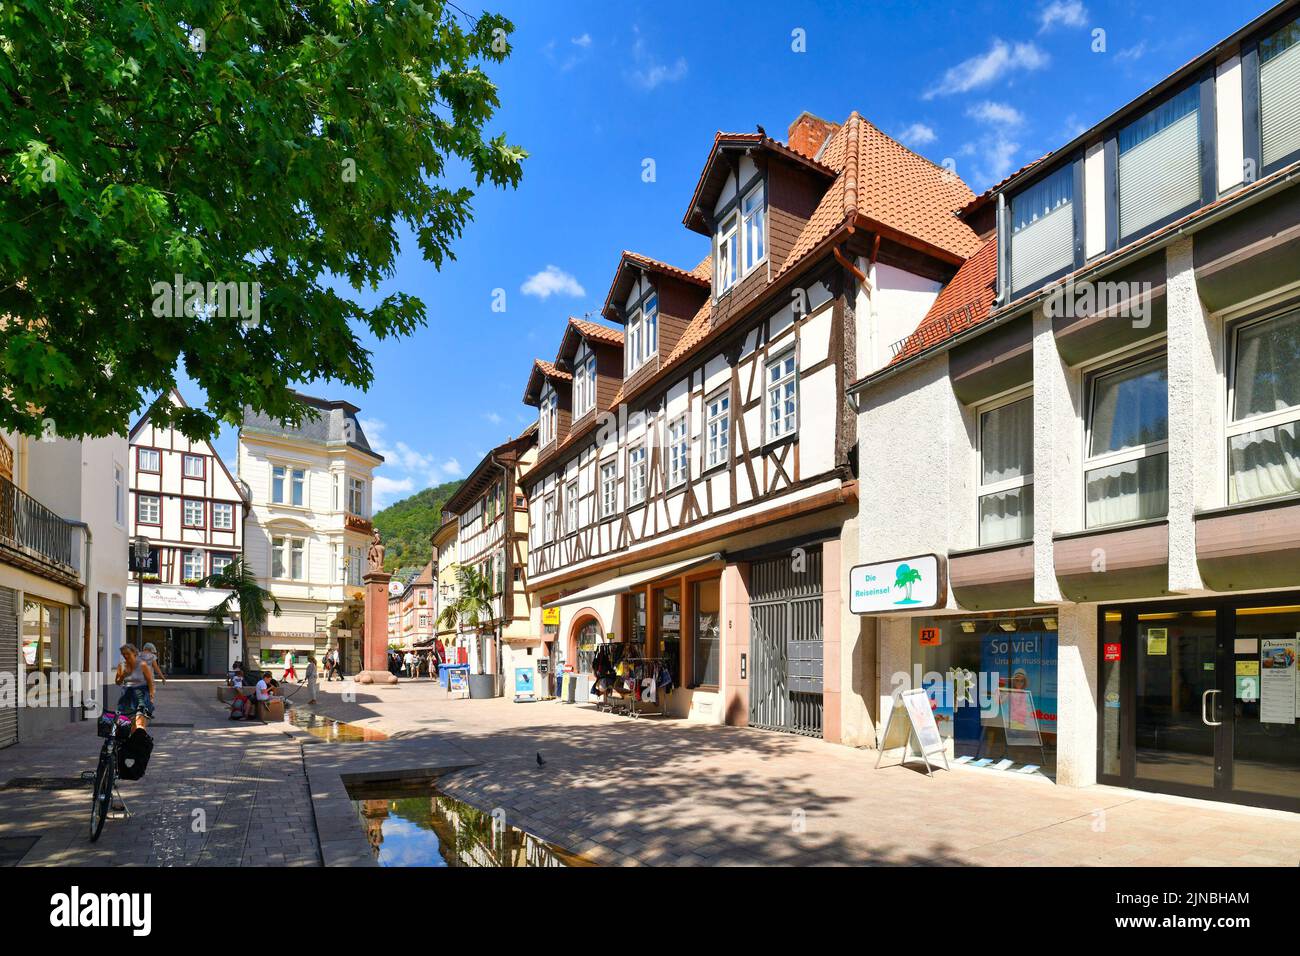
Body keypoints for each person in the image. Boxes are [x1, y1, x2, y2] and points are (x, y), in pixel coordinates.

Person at [114, 643, 155, 732]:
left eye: (127, 653)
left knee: (139, 723)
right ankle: (132, 742)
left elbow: (150, 681)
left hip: (142, 694)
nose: (125, 656)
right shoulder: (121, 666)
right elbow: (117, 682)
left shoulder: (142, 665)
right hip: (127, 694)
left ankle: (140, 742)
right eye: (123, 654)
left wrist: (151, 696)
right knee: (128, 723)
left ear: (134, 653)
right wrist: (122, 676)